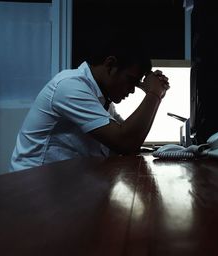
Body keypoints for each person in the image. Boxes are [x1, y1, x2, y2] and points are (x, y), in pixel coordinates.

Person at [10, 36, 170, 172]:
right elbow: (125, 141)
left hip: (61, 188)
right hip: (32, 190)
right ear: (110, 64)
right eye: (130, 80)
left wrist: (155, 95)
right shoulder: (69, 86)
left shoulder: (100, 98)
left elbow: (132, 139)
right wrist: (154, 94)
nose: (132, 90)